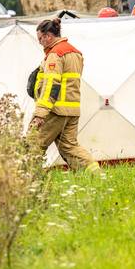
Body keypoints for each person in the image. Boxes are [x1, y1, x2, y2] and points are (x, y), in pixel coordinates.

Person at [29, 18, 101, 172]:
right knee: (69, 147)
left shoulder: (55, 54)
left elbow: (51, 86)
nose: (40, 42)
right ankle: (97, 175)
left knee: (32, 145)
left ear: (48, 36)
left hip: (55, 111)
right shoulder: (76, 53)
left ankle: (25, 179)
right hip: (72, 110)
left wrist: (40, 114)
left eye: (40, 38)